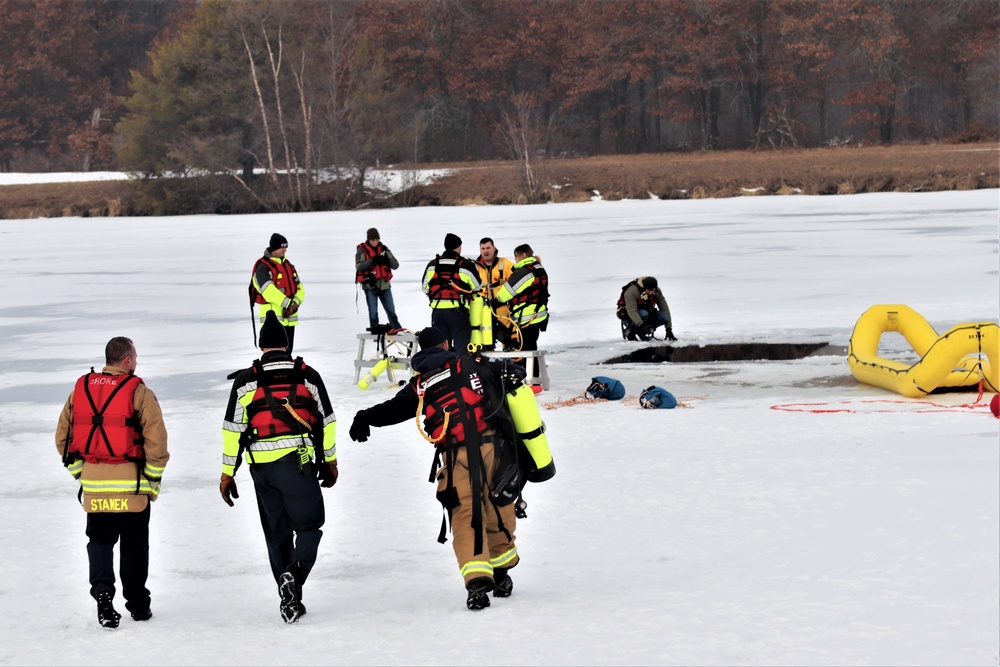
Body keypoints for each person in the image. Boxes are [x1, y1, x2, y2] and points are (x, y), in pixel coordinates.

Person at [348, 327, 531, 611]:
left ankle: (477, 585)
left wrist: (365, 418)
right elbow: (510, 372)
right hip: (494, 450)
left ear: (422, 351)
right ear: (446, 344)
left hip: (457, 455)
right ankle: (502, 574)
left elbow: (395, 410)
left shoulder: (422, 384)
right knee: (498, 507)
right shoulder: (474, 364)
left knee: (466, 514)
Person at [219, 311, 339, 624]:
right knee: (309, 526)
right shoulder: (308, 375)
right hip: (297, 465)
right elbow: (327, 422)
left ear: (261, 347)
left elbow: (232, 430)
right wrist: (330, 462)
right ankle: (294, 579)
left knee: (277, 535)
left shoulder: (246, 380)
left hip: (261, 469)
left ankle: (289, 597)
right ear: (285, 345)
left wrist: (226, 473)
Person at [55, 336, 170, 628]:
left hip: (95, 489)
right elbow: (156, 442)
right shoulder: (139, 392)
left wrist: (82, 473)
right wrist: (151, 483)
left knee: (100, 541)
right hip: (132, 488)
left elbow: (62, 439)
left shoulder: (80, 389)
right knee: (134, 546)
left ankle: (103, 593)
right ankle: (138, 605)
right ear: (128, 361)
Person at [421, 233, 483, 354]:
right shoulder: (465, 264)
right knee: (461, 350)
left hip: (437, 313)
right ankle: (462, 372)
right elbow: (478, 286)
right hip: (457, 313)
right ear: (459, 247)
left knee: (441, 349)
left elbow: (425, 288)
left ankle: (444, 371)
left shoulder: (432, 265)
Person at [250, 232, 305, 353]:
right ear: (274, 248)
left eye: (286, 246)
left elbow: (300, 288)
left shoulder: (288, 265)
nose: (285, 250)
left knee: (288, 353)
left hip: (289, 318)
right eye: (282, 246)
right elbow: (268, 291)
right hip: (272, 319)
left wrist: (295, 303)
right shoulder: (262, 268)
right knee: (273, 354)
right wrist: (288, 304)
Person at [493, 244, 549, 362]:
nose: (515, 259)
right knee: (531, 349)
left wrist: (495, 301)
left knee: (527, 351)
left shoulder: (524, 272)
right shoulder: (538, 268)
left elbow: (504, 294)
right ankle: (534, 377)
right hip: (539, 315)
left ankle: (530, 378)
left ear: (524, 255)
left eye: (516, 256)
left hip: (528, 318)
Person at [355, 227, 402, 332]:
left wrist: (386, 260)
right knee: (373, 313)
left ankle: (398, 330)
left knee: (391, 311)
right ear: (368, 240)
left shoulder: (384, 249)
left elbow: (396, 265)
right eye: (373, 240)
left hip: (384, 285)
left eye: (377, 240)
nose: (375, 242)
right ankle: (375, 331)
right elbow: (359, 266)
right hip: (370, 286)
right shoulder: (361, 250)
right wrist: (373, 260)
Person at [475, 237, 514, 348]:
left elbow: (517, 282)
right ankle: (488, 364)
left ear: (494, 248)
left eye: (488, 248)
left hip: (503, 311)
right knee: (485, 343)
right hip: (483, 312)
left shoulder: (505, 264)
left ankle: (515, 364)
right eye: (483, 248)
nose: (485, 251)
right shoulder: (475, 267)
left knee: (509, 340)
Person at [617, 276, 676, 341]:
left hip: (646, 313)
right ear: (644, 288)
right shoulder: (632, 291)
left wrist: (668, 329)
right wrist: (642, 326)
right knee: (644, 314)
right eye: (649, 290)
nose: (651, 293)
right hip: (629, 318)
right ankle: (630, 332)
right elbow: (632, 311)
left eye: (653, 290)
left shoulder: (656, 291)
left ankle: (642, 332)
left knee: (664, 317)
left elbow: (664, 308)